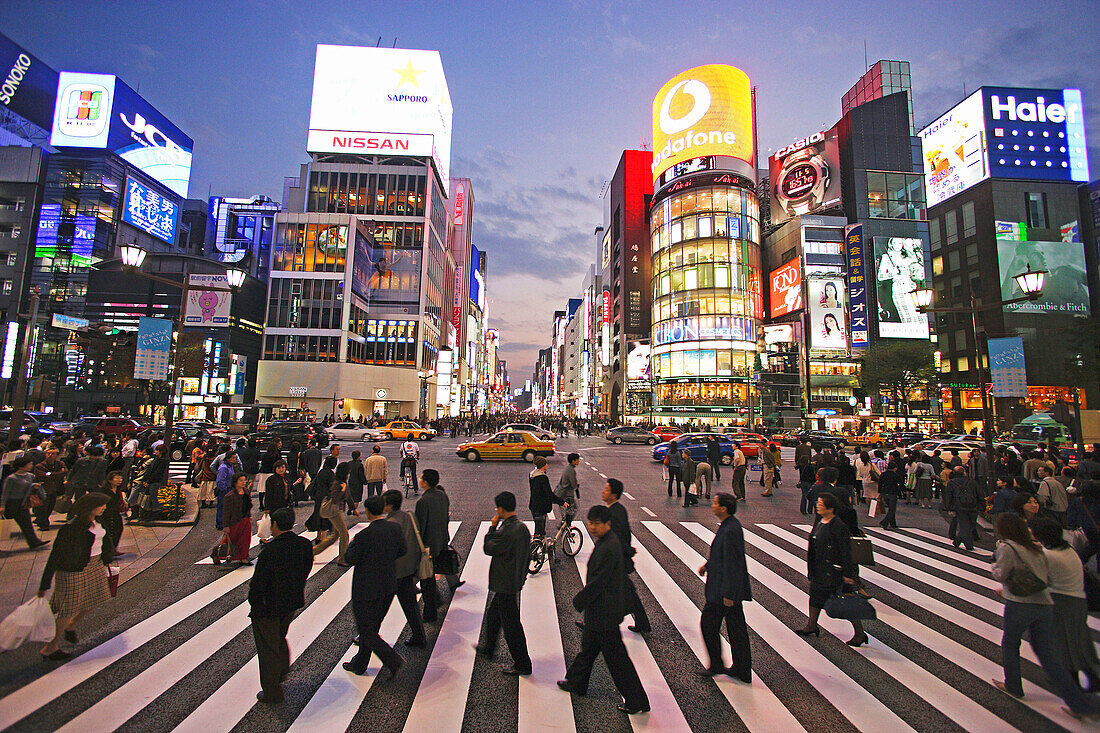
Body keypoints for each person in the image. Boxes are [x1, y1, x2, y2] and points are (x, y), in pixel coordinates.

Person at [992, 513, 1098, 719]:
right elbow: (1045, 578)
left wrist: (995, 567)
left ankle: (1013, 685)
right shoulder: (1038, 549)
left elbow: (1001, 574)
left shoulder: (1008, 547)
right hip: (1044, 605)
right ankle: (1079, 703)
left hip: (1021, 604)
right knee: (1049, 654)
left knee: (1011, 644)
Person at [558, 504, 650, 715]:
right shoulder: (607, 542)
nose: (592, 527)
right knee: (588, 650)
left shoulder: (609, 546)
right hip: (600, 611)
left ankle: (637, 701)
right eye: (590, 523)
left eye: (596, 524)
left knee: (617, 661)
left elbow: (599, 582)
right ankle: (576, 682)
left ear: (607, 524)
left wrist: (580, 600)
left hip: (604, 612)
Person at [248, 507, 312, 704]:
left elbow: (258, 584)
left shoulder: (270, 551)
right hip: (291, 602)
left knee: (267, 648)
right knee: (279, 636)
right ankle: (282, 669)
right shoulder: (303, 544)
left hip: (268, 607)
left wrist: (254, 602)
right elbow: (306, 568)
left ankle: (272, 692)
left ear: (275, 525)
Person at [37, 492, 113, 660]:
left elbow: (106, 541)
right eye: (101, 505)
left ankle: (70, 625)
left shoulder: (99, 521)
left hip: (95, 565)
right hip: (73, 570)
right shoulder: (72, 528)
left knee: (96, 598)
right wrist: (44, 584)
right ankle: (50, 648)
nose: (104, 508)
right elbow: (55, 556)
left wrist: (107, 559)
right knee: (68, 608)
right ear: (90, 506)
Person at [1030, 516, 1100, 693]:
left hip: (1061, 603)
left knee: (1063, 646)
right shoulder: (1069, 549)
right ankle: (1092, 680)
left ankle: (1073, 689)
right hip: (1078, 601)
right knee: (1078, 644)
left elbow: (1037, 581)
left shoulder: (1049, 556)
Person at [343, 494, 406, 678]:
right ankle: (360, 663)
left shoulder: (364, 535)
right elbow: (403, 550)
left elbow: (350, 559)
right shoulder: (394, 528)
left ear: (369, 512)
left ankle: (392, 660)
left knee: (366, 630)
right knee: (372, 627)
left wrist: (351, 546)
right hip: (388, 585)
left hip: (366, 588)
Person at [795, 492, 867, 646]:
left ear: (831, 508)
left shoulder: (839, 527)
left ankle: (860, 633)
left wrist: (848, 575)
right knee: (814, 599)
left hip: (834, 571)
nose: (817, 506)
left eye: (820, 504)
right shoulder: (821, 522)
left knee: (845, 603)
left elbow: (846, 553)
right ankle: (812, 625)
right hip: (820, 569)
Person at [475, 490, 533, 676]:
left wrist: (492, 528)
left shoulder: (507, 530)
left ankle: (523, 663)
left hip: (505, 583)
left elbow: (488, 548)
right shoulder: (522, 527)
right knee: (493, 615)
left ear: (500, 509)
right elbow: (528, 555)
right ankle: (488, 647)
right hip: (513, 580)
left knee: (512, 626)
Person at [698, 493, 751, 681]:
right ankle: (741, 669)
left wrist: (728, 593)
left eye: (715, 503)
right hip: (728, 588)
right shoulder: (730, 526)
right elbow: (723, 556)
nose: (712, 506)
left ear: (723, 508)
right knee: (736, 629)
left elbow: (732, 562)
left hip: (723, 590)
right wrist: (708, 565)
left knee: (708, 624)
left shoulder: (730, 530)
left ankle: (717, 664)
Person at [603, 479, 651, 633]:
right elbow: (626, 533)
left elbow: (618, 538)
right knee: (628, 593)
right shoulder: (620, 509)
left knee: (604, 591)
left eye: (606, 489)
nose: (603, 491)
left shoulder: (612, 513)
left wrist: (626, 551)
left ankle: (597, 624)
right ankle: (643, 624)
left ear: (613, 494)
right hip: (620, 559)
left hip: (616, 562)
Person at [381, 489, 428, 647]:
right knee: (410, 606)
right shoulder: (409, 516)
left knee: (379, 607)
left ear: (389, 506)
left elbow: (387, 551)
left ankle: (368, 635)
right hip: (408, 569)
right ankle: (419, 635)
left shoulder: (389, 525)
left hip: (394, 572)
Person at [415, 469, 462, 622]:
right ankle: (436, 599)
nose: (419, 479)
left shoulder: (423, 501)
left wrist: (419, 548)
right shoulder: (442, 495)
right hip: (441, 540)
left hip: (427, 546)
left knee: (426, 580)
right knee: (431, 575)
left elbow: (421, 527)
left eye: (421, 477)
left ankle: (430, 613)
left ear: (426, 482)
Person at [1, 455, 48, 549]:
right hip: (12, 503)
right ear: (22, 466)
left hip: (23, 502)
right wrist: (2, 505)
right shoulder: (12, 478)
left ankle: (34, 542)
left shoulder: (29, 476)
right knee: (20, 523)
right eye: (29, 464)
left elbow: (29, 487)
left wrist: (34, 486)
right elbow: (5, 493)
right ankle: (33, 542)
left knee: (26, 523)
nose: (31, 466)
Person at [943, 466, 980, 551]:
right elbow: (979, 493)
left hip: (959, 506)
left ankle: (959, 541)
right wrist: (981, 505)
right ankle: (968, 544)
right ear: (964, 472)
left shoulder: (952, 483)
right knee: (971, 524)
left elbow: (949, 496)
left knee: (965, 525)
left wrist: (950, 508)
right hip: (972, 505)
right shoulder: (972, 481)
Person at [314, 478, 350, 565]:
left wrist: (353, 508)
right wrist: (343, 490)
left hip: (338, 511)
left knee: (335, 535)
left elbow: (348, 497)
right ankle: (342, 559)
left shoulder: (342, 482)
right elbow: (335, 499)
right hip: (334, 511)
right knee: (344, 535)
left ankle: (312, 551)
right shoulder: (338, 483)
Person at [222, 473, 254, 567]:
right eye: (241, 480)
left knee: (245, 539)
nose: (243, 482)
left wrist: (249, 515)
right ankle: (217, 554)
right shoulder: (229, 496)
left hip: (245, 519)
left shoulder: (247, 491)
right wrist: (225, 526)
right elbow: (226, 512)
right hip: (234, 521)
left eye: (244, 480)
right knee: (232, 539)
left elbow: (248, 504)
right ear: (235, 482)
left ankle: (244, 557)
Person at [32, 446, 66, 530]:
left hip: (55, 489)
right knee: (42, 507)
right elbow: (42, 476)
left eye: (53, 454)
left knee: (50, 507)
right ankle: (44, 524)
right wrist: (56, 474)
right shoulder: (40, 466)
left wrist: (51, 474)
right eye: (48, 453)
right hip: (43, 489)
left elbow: (64, 472)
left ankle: (41, 520)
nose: (50, 455)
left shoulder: (60, 464)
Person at [99, 471, 127, 550]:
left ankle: (113, 548)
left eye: (121, 478)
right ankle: (109, 550)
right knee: (109, 531)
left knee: (118, 529)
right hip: (106, 513)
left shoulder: (118, 489)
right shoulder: (104, 490)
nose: (119, 480)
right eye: (117, 478)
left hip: (115, 512)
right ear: (110, 480)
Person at [529, 456, 554, 537]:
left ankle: (537, 545)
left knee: (538, 531)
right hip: (541, 507)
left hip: (533, 506)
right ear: (543, 465)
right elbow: (549, 494)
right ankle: (534, 548)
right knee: (541, 532)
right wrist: (561, 502)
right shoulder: (543, 478)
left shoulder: (532, 475)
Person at [214, 451, 238, 530]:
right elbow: (220, 481)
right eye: (233, 458)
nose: (235, 459)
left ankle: (225, 522)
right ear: (228, 458)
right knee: (222, 507)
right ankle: (220, 523)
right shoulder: (223, 467)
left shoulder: (230, 466)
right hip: (225, 490)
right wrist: (224, 490)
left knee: (228, 507)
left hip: (230, 488)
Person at [877, 460, 904, 530]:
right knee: (892, 510)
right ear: (895, 468)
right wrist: (903, 491)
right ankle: (884, 522)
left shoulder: (883, 474)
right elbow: (900, 484)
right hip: (892, 493)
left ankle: (893, 523)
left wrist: (879, 492)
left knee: (890, 509)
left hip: (884, 493)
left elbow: (880, 484)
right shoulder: (896, 475)